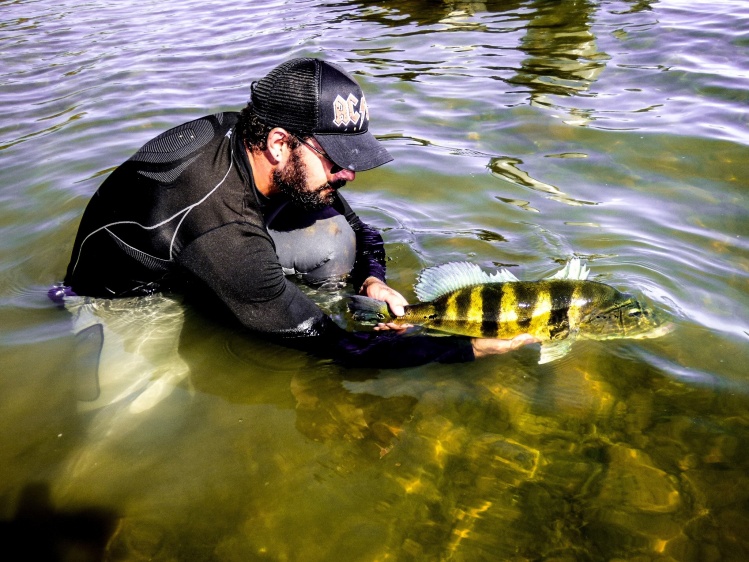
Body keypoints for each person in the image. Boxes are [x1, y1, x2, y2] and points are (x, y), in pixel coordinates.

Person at [59, 57, 536, 370]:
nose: (349, 173)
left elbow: (359, 229)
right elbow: (334, 346)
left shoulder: (260, 147)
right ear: (280, 143)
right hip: (120, 303)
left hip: (204, 245)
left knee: (334, 241)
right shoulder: (223, 224)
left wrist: (373, 281)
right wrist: (464, 348)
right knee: (142, 426)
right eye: (336, 158)